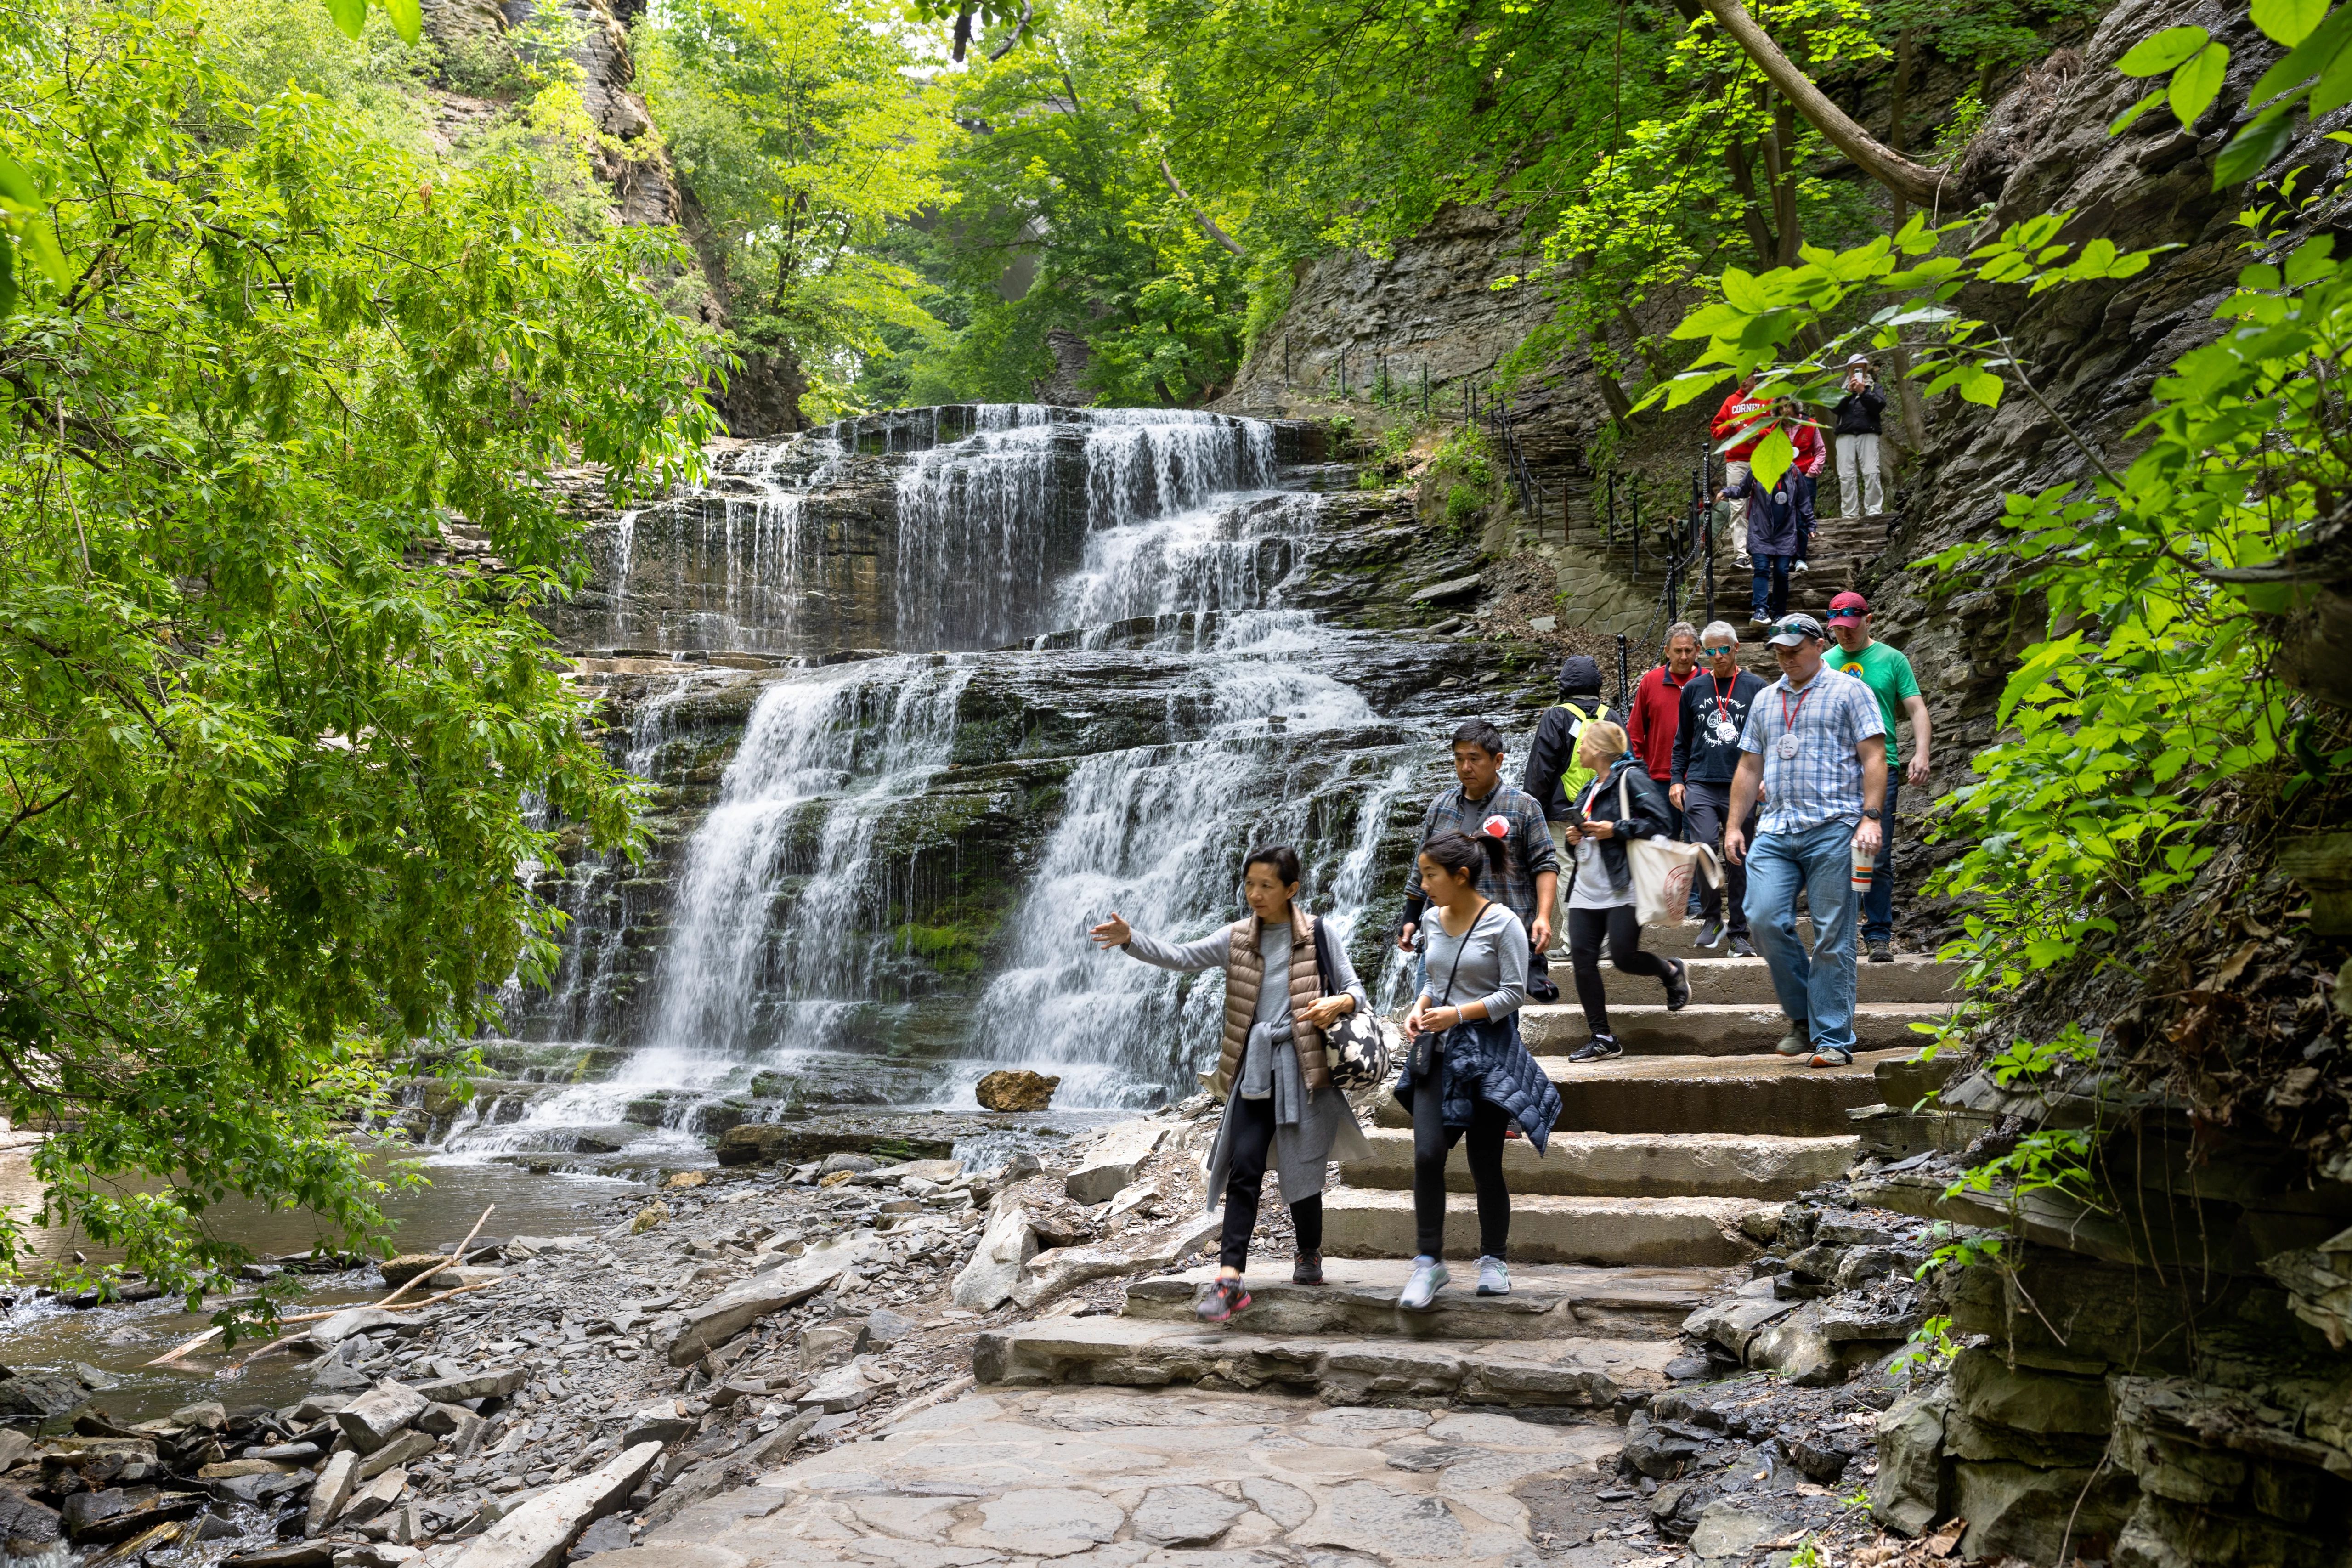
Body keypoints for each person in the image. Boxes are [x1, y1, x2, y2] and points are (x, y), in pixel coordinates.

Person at [1091, 844, 1371, 1323]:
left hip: (1304, 1068)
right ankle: (1229, 1278)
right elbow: (1181, 956)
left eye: (1266, 885)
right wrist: (1130, 938)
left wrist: (1338, 1003)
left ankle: (1308, 1252)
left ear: (1291, 889)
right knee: (1244, 1165)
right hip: (1254, 1069)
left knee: (1302, 1168)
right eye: (1249, 884)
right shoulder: (1237, 936)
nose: (1255, 894)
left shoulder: (1320, 933)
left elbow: (1356, 990)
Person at [1395, 828, 1562, 1310]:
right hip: (1437, 1052)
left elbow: (1513, 992)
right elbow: (1431, 977)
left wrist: (1458, 1013)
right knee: (1427, 1154)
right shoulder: (1429, 918)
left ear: (1460, 875)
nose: (1423, 884)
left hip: (1487, 1057)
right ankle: (1429, 1261)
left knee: (1484, 1161)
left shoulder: (1503, 923)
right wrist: (1421, 1005)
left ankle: (1494, 1258)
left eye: (1430, 875)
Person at [1722, 614, 1888, 1069]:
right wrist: (1734, 824)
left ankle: (1832, 1037)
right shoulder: (1763, 699)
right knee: (1761, 918)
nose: (1785, 656)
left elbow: (1874, 756)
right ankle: (1801, 1017)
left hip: (1835, 827)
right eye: (1779, 649)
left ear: (1818, 645)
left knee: (1832, 934)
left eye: (1794, 648)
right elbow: (1748, 766)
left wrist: (1870, 817)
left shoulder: (1851, 691)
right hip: (1775, 829)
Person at [1558, 721, 1690, 1063]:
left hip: (1624, 886)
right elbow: (1584, 842)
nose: (1581, 748)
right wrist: (1574, 840)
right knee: (1582, 961)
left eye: (1585, 743)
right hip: (1586, 889)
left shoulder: (1631, 777)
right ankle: (1602, 1037)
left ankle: (1671, 971)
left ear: (1600, 749)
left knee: (1623, 956)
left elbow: (1660, 821)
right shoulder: (1588, 788)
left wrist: (1615, 829)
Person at [1400, 721, 1560, 1003]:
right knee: (1427, 1028)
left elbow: (1545, 864)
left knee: (1493, 1031)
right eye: (1459, 759)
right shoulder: (1441, 806)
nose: (1465, 767)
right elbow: (1420, 869)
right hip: (1440, 938)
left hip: (1497, 939)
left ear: (1497, 760)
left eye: (1474, 759)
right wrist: (1410, 919)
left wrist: (1544, 917)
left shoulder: (1524, 807)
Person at [1823, 593, 1933, 962]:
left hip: (1881, 766)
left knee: (1877, 853)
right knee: (1835, 852)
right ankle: (1841, 933)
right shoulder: (1824, 662)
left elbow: (1916, 708)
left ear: (1869, 619)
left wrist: (1921, 751)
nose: (1846, 636)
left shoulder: (1892, 659)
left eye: (1851, 628)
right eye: (1838, 629)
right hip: (1835, 770)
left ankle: (1878, 934)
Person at [1671, 621, 1767, 958]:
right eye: (1709, 651)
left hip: (1742, 785)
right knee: (1703, 847)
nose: (1716, 656)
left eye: (1722, 649)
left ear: (1736, 647)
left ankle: (1739, 933)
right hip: (1700, 781)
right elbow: (1681, 741)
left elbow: (1767, 738)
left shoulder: (1756, 687)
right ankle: (1712, 918)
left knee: (1738, 856)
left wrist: (1766, 777)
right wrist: (1676, 779)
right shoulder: (1694, 689)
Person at [1521, 658, 1611, 968]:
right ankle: (1606, 942)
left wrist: (1531, 810)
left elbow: (1541, 770)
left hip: (1564, 814)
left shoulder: (1556, 716)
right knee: (1602, 872)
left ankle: (1575, 942)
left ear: (1565, 685)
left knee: (1569, 875)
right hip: (1603, 812)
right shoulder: (1610, 715)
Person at [1723, 466, 1802, 627]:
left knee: (1781, 571)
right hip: (1760, 530)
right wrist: (1727, 492)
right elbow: (1742, 491)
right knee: (1761, 568)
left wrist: (1810, 525)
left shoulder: (1794, 472)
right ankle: (1761, 610)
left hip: (1785, 532)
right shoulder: (1756, 469)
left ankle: (1779, 613)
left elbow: (1804, 500)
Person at [1711, 379, 1772, 569]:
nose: (1744, 380)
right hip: (1736, 461)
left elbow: (1778, 427)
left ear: (1755, 376)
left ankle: (1766, 551)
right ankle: (1741, 555)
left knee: (1766, 503)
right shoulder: (1731, 401)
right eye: (1741, 376)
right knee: (1737, 507)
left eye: (1748, 376)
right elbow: (1716, 430)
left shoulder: (1767, 398)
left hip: (1762, 457)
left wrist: (1759, 434)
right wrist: (1730, 426)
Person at [1833, 355, 1887, 520]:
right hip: (1845, 435)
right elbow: (1834, 408)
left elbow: (1879, 406)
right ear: (1849, 370)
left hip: (1868, 432)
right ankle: (1849, 514)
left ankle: (1874, 511)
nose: (1859, 372)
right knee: (1846, 475)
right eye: (1855, 369)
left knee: (1871, 472)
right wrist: (1849, 393)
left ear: (1866, 370)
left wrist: (1863, 392)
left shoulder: (1874, 388)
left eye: (1862, 369)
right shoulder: (1840, 391)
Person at [1785, 401, 1826, 576]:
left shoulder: (1810, 424)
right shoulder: (1775, 429)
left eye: (1787, 406)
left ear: (1795, 407)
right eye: (1780, 408)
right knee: (1785, 518)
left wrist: (1812, 472)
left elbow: (1820, 450)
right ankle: (1787, 558)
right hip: (1784, 478)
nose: (1784, 411)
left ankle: (1800, 558)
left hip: (1805, 476)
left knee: (1802, 518)